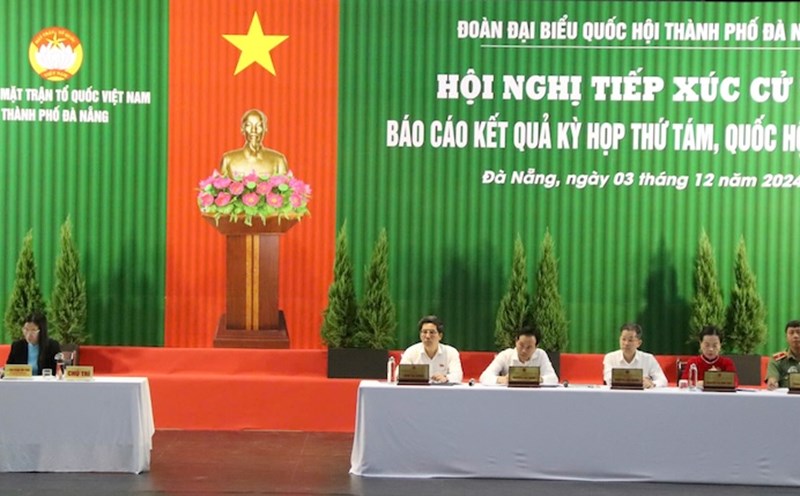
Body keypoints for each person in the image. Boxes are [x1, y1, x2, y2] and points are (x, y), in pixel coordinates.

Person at [220, 109, 289, 179]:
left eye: (259, 125)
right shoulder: (228, 159)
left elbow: (285, 186)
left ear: (265, 128)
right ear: (242, 129)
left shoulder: (278, 160)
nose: (253, 130)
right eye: (249, 125)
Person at [480, 326, 558, 385]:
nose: (524, 350)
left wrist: (538, 379)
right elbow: (484, 377)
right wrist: (502, 379)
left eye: (529, 347)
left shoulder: (541, 355)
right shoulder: (505, 355)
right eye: (521, 345)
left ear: (536, 347)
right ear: (516, 342)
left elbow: (553, 379)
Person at [399, 315, 463, 383]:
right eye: (424, 332)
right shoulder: (411, 352)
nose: (427, 336)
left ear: (440, 336)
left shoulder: (451, 352)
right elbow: (399, 374)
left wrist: (446, 378)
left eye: (432, 332)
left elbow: (458, 376)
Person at [602, 322, 667, 388]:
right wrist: (637, 380)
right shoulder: (610, 357)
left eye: (630, 340)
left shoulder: (648, 358)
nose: (626, 343)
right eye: (623, 339)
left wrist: (652, 384)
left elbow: (663, 380)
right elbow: (608, 379)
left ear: (639, 343)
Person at [766, 320, 800, 390]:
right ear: (786, 338)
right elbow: (772, 379)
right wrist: (772, 383)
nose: (796, 336)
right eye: (791, 333)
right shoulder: (777, 359)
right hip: (787, 399)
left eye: (799, 332)